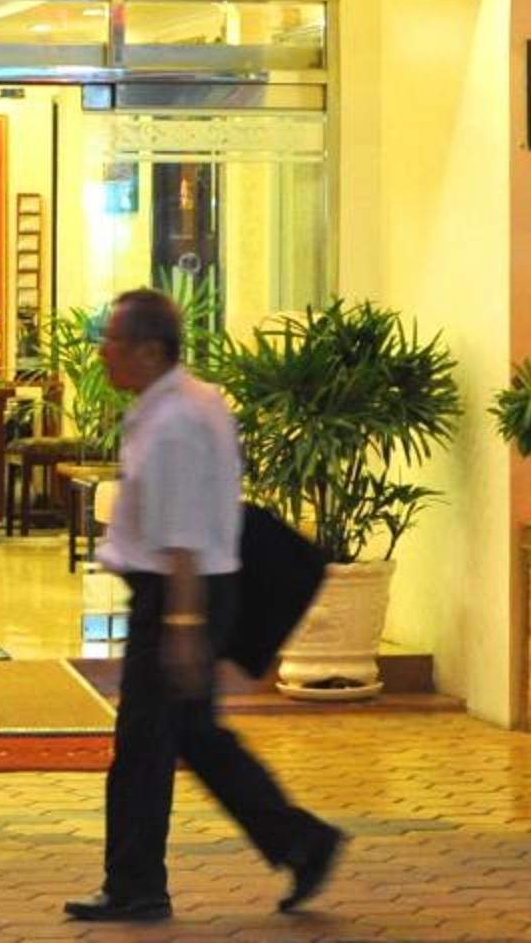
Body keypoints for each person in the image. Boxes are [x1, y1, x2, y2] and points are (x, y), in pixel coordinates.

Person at [69, 288, 344, 924]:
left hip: (178, 593)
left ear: (150, 349)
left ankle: (135, 886)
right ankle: (301, 842)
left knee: (143, 745)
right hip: (189, 590)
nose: (102, 352)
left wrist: (183, 628)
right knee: (195, 735)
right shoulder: (191, 401)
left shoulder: (175, 421)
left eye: (112, 341)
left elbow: (185, 537)